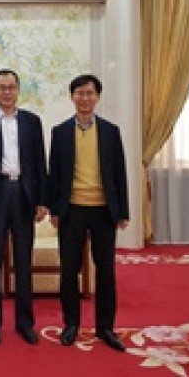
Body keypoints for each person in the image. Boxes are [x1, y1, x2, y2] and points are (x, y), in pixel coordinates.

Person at [49, 74, 129, 352]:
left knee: (105, 270)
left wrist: (122, 211)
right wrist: (55, 209)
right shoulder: (60, 132)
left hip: (103, 210)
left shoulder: (110, 131)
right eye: (79, 93)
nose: (85, 98)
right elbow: (54, 174)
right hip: (71, 210)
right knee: (69, 269)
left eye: (89, 93)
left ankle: (105, 327)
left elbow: (119, 173)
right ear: (72, 97)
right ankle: (71, 324)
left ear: (97, 97)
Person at [0, 69, 48, 346]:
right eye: (2, 87)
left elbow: (40, 163)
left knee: (23, 263)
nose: (6, 92)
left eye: (11, 87)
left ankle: (25, 323)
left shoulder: (32, 121)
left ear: (18, 90)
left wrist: (42, 200)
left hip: (24, 195)